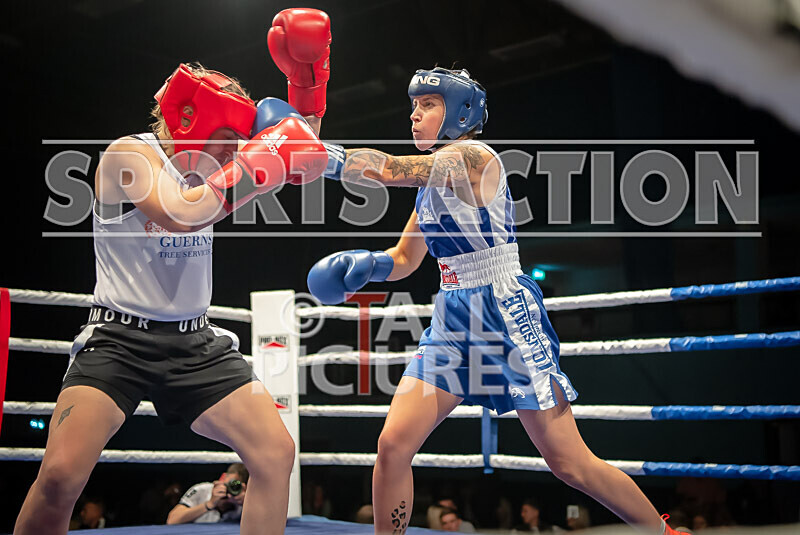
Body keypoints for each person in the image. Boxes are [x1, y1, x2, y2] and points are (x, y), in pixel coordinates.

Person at [308, 67, 690, 535]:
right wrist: (367, 266)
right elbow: (405, 259)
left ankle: (664, 533)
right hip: (452, 318)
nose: (414, 115)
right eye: (413, 106)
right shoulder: (431, 186)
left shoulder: (472, 157)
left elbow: (389, 169)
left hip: (503, 310)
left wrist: (319, 155)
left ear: (459, 113)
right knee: (392, 445)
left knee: (569, 463)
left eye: (428, 105)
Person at [13, 9, 331, 535]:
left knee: (275, 453)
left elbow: (304, 148)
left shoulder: (217, 166)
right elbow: (182, 213)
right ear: (190, 121)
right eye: (227, 135)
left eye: (239, 140)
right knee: (60, 476)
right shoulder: (129, 155)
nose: (233, 149)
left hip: (195, 345)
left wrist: (308, 85)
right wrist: (269, 155)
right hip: (119, 340)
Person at [167, 463, 249, 524]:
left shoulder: (246, 500)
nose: (228, 490)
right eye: (227, 484)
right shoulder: (201, 490)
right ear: (222, 478)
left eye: (235, 487)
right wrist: (209, 504)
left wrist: (247, 503)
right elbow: (172, 520)